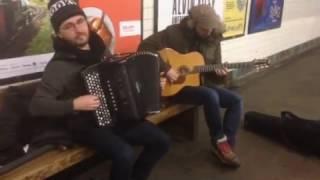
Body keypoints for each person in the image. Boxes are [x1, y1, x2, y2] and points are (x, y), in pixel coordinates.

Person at [29, 1, 170, 180]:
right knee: (124, 154)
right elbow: (37, 105)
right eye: (69, 26)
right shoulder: (58, 67)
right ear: (59, 34)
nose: (78, 29)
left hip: (116, 116)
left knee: (162, 141)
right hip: (84, 124)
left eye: (80, 21)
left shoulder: (100, 48)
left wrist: (153, 87)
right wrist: (74, 104)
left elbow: (121, 78)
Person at [138, 4, 242, 167]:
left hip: (201, 83)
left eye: (210, 28)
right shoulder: (173, 33)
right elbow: (145, 47)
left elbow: (214, 67)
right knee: (210, 95)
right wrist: (166, 68)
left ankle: (226, 144)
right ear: (193, 23)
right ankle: (219, 140)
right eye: (203, 29)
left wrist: (220, 73)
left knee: (236, 100)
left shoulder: (213, 37)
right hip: (177, 87)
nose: (208, 32)